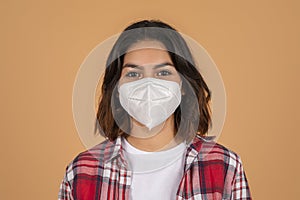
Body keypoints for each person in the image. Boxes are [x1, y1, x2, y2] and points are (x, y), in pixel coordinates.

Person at [58, 20, 251, 200]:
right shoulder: (82, 172)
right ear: (117, 89)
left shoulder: (225, 165)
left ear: (183, 85)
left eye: (163, 73)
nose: (148, 85)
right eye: (133, 74)